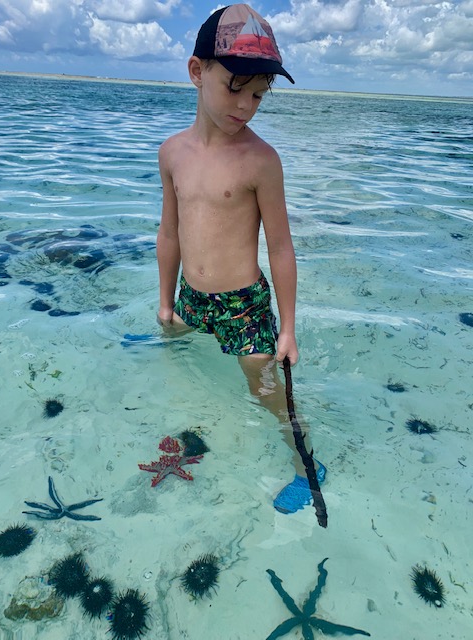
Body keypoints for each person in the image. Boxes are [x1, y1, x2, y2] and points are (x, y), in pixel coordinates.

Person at [156, 4, 326, 514]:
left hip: (244, 307)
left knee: (265, 388)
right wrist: (165, 301)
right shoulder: (172, 153)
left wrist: (288, 329)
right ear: (196, 71)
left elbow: (281, 247)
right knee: (173, 331)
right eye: (236, 88)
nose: (247, 106)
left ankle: (308, 465)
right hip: (192, 295)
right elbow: (169, 232)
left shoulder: (261, 160)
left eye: (258, 95)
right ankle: (173, 328)